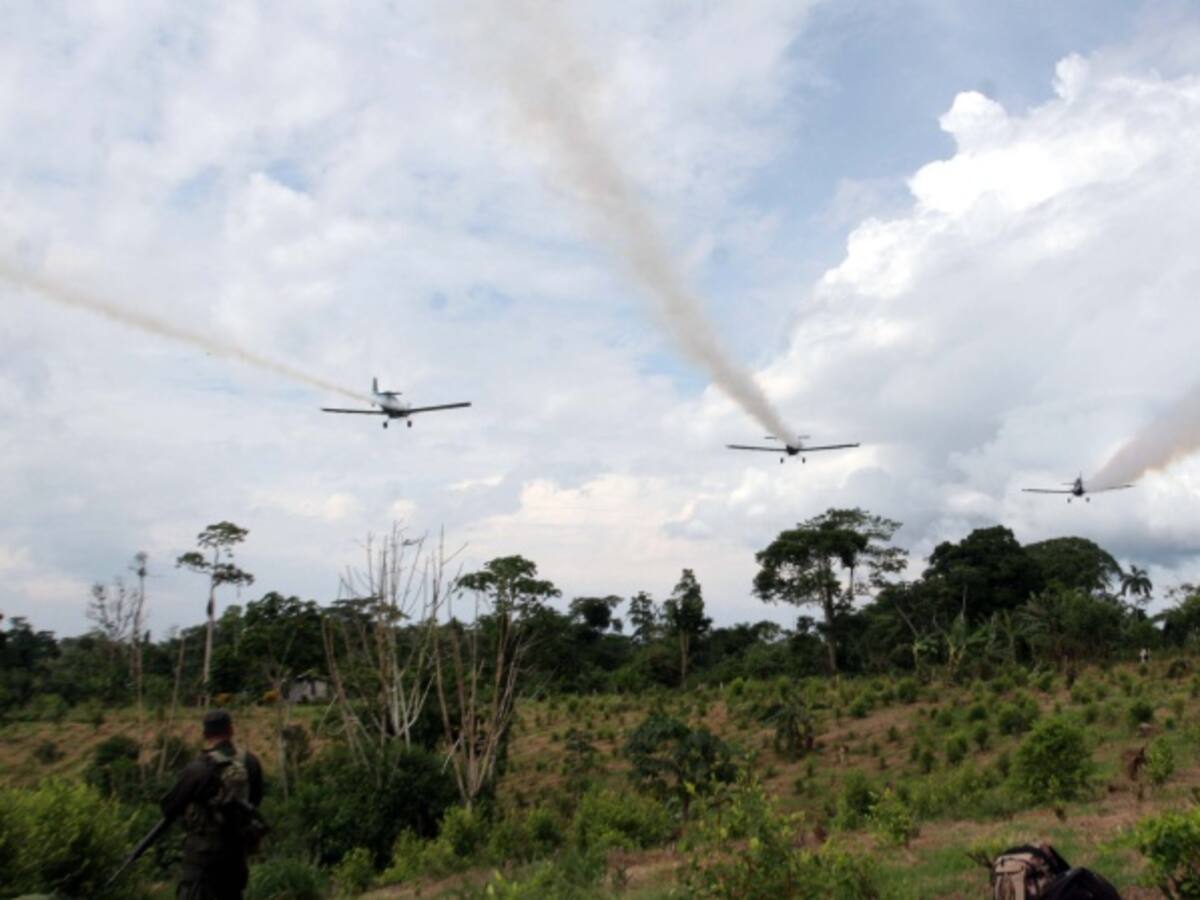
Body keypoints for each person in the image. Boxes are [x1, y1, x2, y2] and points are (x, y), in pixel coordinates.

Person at [161, 709, 264, 900]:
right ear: (231, 730)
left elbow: (169, 807)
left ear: (205, 735)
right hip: (236, 858)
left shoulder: (198, 769)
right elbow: (255, 800)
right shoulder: (250, 762)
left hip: (202, 862)